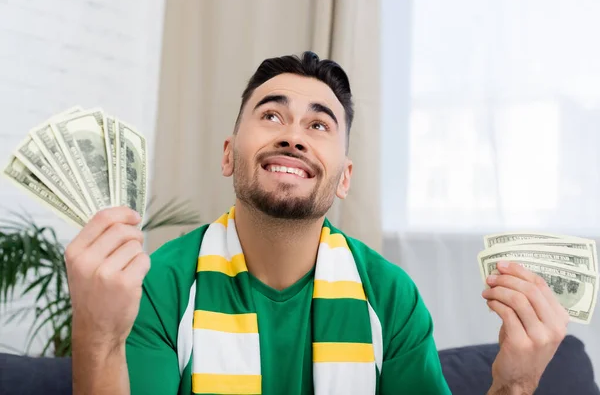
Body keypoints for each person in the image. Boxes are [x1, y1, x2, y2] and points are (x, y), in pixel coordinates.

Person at [65, 52, 569, 395]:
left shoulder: (390, 296)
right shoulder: (159, 286)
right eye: (271, 116)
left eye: (319, 125)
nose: (294, 137)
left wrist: (515, 385)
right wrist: (97, 335)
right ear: (227, 154)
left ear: (344, 177)